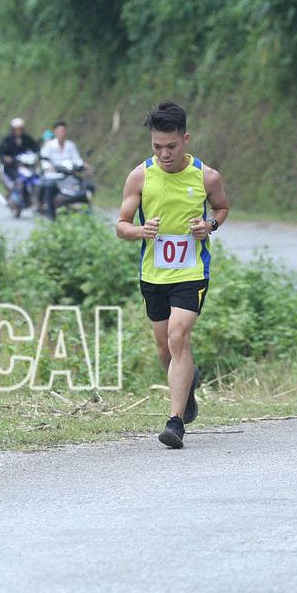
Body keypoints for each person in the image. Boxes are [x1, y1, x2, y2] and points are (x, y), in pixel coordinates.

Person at [116, 101, 229, 449]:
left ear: (186, 139)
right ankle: (187, 382)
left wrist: (210, 224)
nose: (164, 154)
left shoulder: (206, 176)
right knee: (166, 350)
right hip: (153, 274)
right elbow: (121, 226)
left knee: (179, 338)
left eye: (171, 146)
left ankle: (175, 422)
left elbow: (222, 208)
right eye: (157, 147)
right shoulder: (140, 176)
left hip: (192, 271)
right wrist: (140, 231)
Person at [39, 120, 93, 220]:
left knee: (89, 186)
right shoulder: (49, 146)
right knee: (49, 186)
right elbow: (44, 160)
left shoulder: (70, 145)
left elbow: (77, 159)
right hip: (54, 176)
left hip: (68, 175)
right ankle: (51, 214)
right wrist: (48, 167)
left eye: (64, 131)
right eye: (60, 131)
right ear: (55, 132)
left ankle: (88, 211)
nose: (62, 133)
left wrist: (83, 165)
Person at [0, 117, 39, 197]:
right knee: (15, 177)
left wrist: (36, 154)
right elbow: (1, 153)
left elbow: (34, 146)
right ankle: (14, 191)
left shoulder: (26, 138)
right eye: (17, 129)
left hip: (24, 163)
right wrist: (6, 158)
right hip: (11, 164)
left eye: (20, 129)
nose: (19, 131)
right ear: (13, 130)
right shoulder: (7, 139)